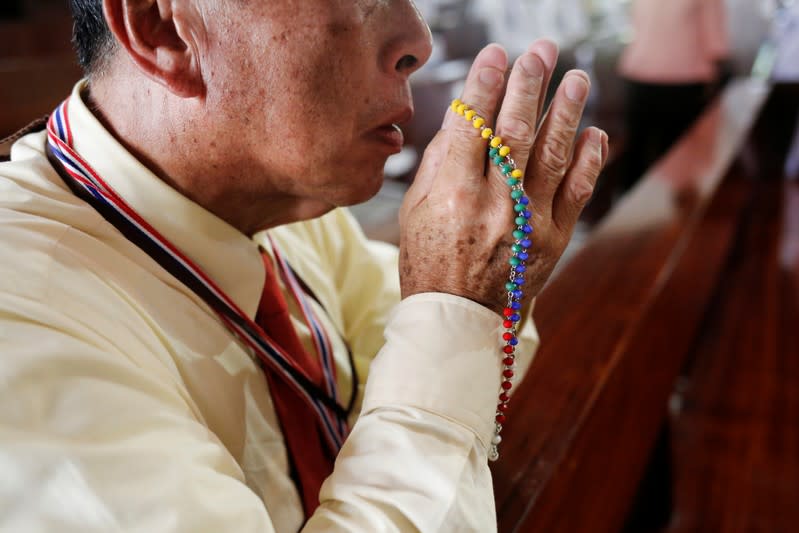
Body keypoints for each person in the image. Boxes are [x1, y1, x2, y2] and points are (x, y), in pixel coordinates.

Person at [0, 1, 607, 531]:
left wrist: (476, 294)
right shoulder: (20, 323)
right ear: (164, 29)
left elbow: (435, 358)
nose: (417, 41)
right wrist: (461, 304)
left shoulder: (288, 202)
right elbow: (444, 358)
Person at [618, 0, 729, 192]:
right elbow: (715, 44)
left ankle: (628, 211)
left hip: (640, 72)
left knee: (637, 149)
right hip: (684, 77)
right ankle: (677, 212)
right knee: (680, 153)